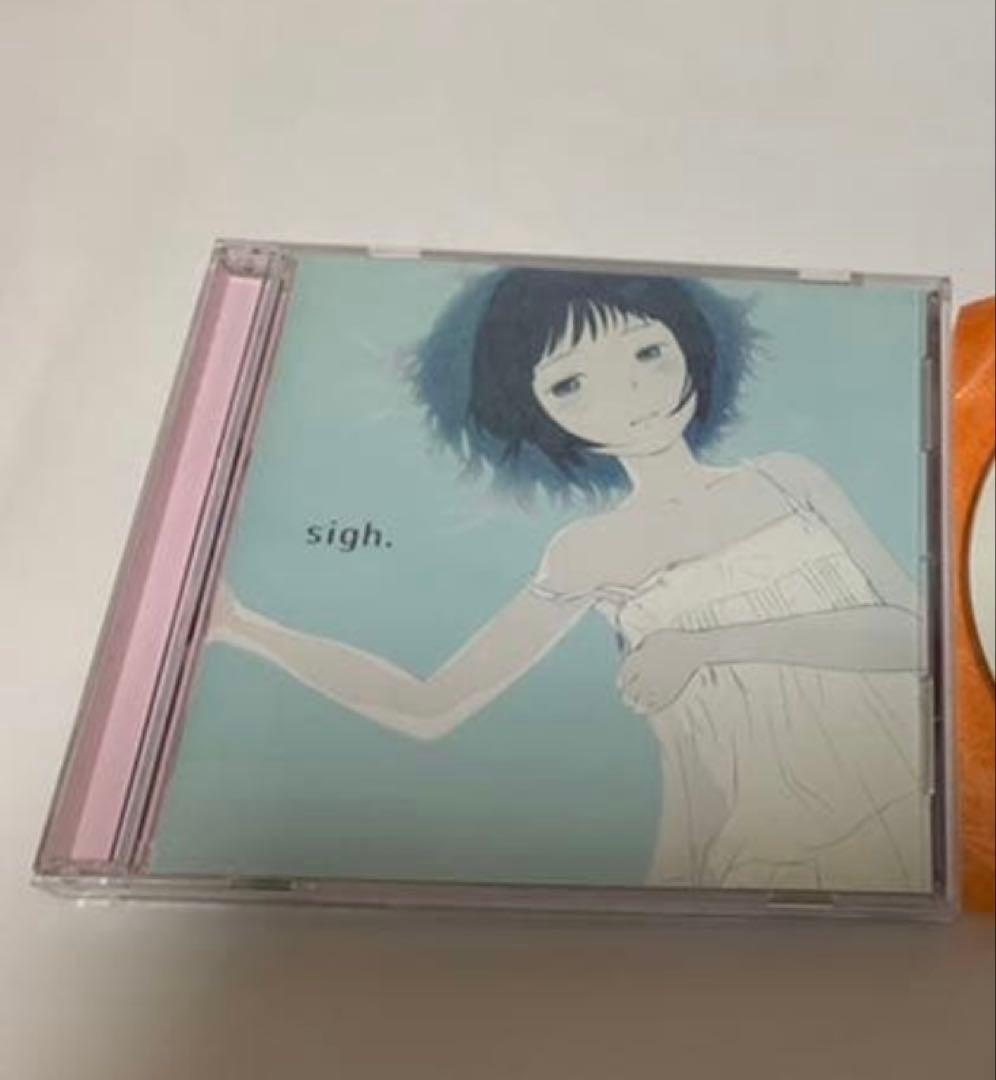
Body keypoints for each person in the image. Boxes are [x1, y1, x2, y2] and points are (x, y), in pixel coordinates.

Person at [210, 268, 928, 892]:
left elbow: (918, 640)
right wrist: (242, 626)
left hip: (911, 814)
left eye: (648, 351)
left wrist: (705, 647)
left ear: (691, 343)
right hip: (771, 857)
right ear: (532, 412)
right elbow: (432, 704)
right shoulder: (590, 553)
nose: (632, 392)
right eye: (572, 383)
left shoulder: (788, 479)